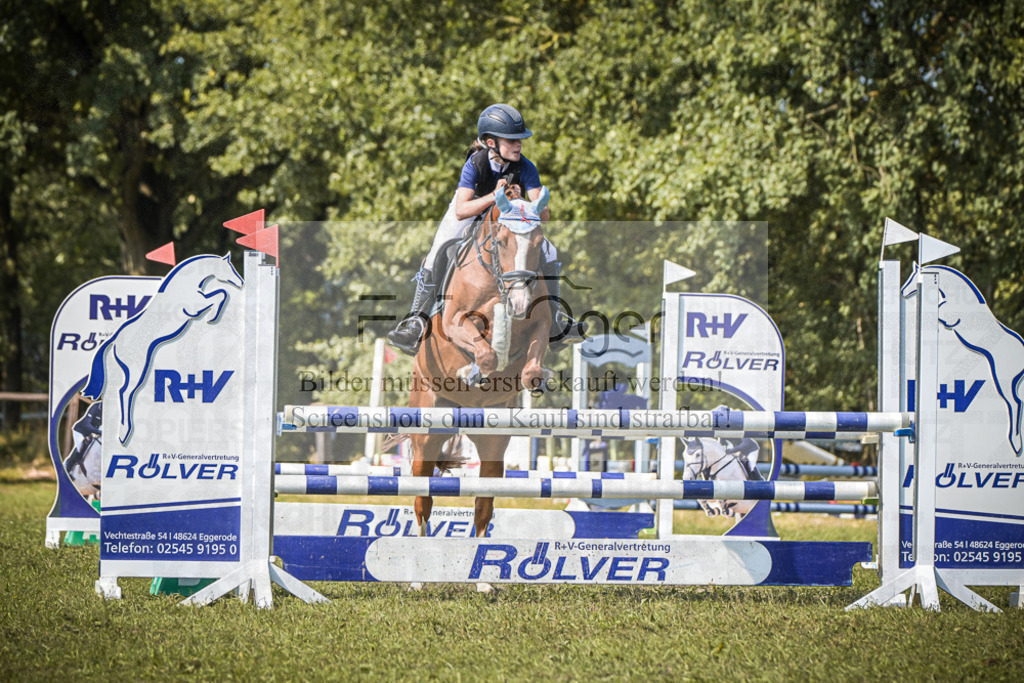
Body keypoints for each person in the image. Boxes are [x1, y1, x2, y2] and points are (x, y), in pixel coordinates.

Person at [387, 103, 587, 355]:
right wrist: (494, 196)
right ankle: (416, 321)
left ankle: (556, 322)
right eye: (512, 140)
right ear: (491, 142)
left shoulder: (526, 167)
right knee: (437, 251)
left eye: (520, 140)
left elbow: (542, 216)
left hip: (507, 220)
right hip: (470, 213)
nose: (518, 145)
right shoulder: (476, 163)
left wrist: (531, 204)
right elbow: (461, 209)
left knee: (549, 250)